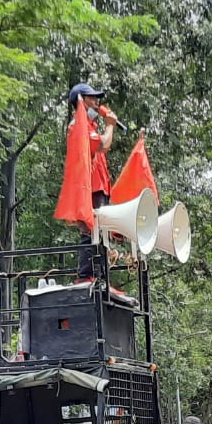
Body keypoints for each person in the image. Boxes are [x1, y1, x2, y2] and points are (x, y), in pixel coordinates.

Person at [66, 82, 116, 281]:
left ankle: (99, 277)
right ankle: (87, 276)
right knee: (91, 232)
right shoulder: (79, 125)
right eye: (92, 98)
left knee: (100, 233)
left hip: (98, 187)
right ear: (80, 101)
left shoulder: (90, 125)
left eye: (97, 98)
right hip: (90, 188)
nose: (97, 102)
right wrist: (111, 124)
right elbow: (103, 145)